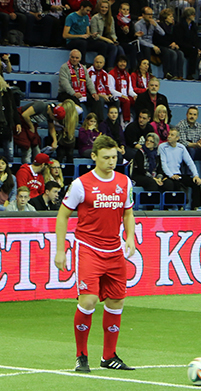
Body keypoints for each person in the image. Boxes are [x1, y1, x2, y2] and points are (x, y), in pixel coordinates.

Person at [55, 134, 136, 372]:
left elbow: (128, 212)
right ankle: (81, 356)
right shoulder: (81, 184)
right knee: (88, 300)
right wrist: (61, 250)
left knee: (117, 300)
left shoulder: (124, 182)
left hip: (114, 250)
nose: (111, 161)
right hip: (89, 248)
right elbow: (63, 215)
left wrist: (130, 236)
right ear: (94, 157)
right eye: (106, 157)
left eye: (114, 157)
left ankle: (109, 356)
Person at [158, 128, 201, 209]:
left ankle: (195, 206)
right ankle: (179, 206)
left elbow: (190, 162)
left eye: (172, 135)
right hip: (167, 174)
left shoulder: (181, 147)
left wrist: (196, 175)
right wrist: (171, 175)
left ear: (177, 138)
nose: (169, 137)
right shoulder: (162, 147)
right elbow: (163, 163)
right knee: (175, 183)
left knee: (196, 182)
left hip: (178, 174)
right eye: (169, 134)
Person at [58, 49, 103, 120]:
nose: (74, 59)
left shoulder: (83, 68)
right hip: (66, 93)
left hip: (81, 93)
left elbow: (88, 81)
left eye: (77, 58)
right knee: (74, 100)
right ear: (69, 57)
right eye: (72, 57)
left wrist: (93, 92)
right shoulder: (64, 68)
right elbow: (65, 84)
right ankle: (78, 122)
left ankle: (97, 121)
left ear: (80, 59)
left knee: (97, 100)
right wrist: (74, 93)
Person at [177, 107, 201, 185]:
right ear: (186, 115)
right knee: (191, 150)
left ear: (197, 116)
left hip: (196, 149)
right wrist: (195, 144)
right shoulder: (181, 125)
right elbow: (182, 142)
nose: (192, 116)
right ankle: (189, 175)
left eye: (194, 115)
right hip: (183, 151)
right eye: (190, 114)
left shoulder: (200, 127)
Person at [91, 1, 124, 69]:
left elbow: (113, 33)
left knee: (120, 48)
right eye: (102, 7)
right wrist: (108, 40)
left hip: (109, 40)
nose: (104, 9)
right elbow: (95, 35)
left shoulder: (110, 18)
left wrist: (114, 40)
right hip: (99, 40)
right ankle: (110, 68)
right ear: (99, 7)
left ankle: (122, 69)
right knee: (113, 48)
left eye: (106, 7)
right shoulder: (95, 18)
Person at [154, 8, 186, 80]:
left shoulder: (172, 27)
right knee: (172, 53)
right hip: (161, 45)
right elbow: (158, 39)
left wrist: (175, 44)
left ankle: (179, 75)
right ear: (165, 18)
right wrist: (169, 44)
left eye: (172, 17)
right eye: (170, 17)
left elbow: (174, 38)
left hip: (169, 45)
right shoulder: (159, 26)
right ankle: (169, 73)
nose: (172, 18)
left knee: (180, 53)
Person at [108, 56, 136, 123]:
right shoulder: (111, 74)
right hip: (116, 96)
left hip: (125, 96)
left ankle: (138, 119)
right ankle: (126, 121)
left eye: (124, 62)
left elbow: (130, 90)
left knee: (138, 100)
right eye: (120, 62)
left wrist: (135, 95)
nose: (122, 64)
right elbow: (111, 89)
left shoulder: (127, 75)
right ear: (117, 63)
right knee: (126, 101)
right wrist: (121, 95)